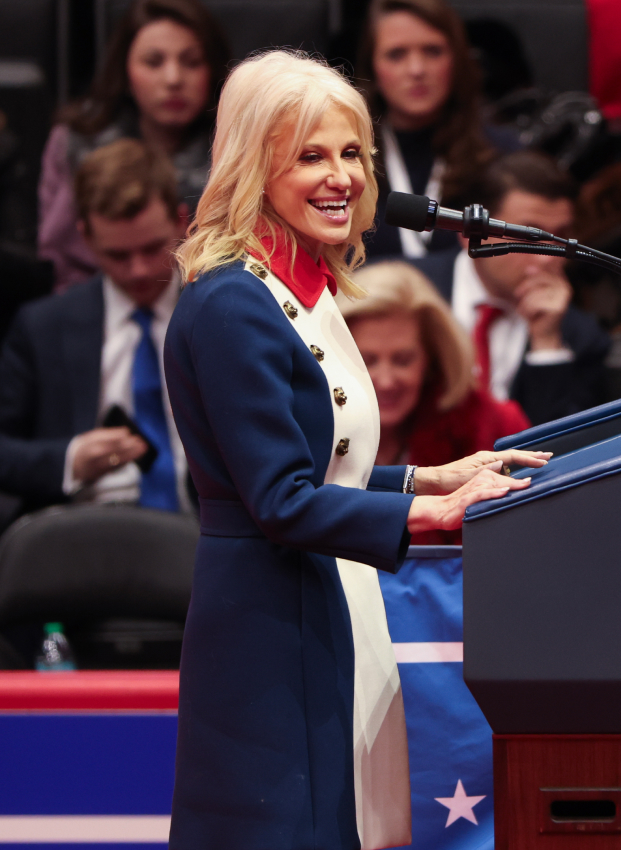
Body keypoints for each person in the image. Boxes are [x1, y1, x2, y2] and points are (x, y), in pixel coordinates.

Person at [163, 50, 549, 849]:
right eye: (309, 156)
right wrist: (435, 509)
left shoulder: (300, 283)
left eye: (349, 153)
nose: (339, 176)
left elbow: (317, 462)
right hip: (273, 631)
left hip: (330, 602)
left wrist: (427, 472)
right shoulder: (234, 302)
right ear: (253, 167)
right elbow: (278, 499)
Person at [0, 138, 192, 521]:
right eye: (117, 255)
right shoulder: (44, 328)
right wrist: (69, 460)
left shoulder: (221, 312)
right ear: (86, 238)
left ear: (181, 222)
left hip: (201, 529)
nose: (137, 270)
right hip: (80, 529)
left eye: (152, 248)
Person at [38, 0, 229, 293]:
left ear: (213, 71)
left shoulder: (238, 149)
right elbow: (60, 264)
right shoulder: (77, 141)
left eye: (191, 62)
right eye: (154, 62)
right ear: (125, 71)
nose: (173, 79)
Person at [410, 150, 611, 425]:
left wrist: (547, 344)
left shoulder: (580, 336)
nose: (548, 256)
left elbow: (564, 447)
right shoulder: (404, 291)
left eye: (560, 236)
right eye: (528, 235)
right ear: (470, 233)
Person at [339, 261, 530, 544]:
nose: (386, 380)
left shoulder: (493, 427)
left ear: (430, 360)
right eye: (366, 361)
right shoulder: (304, 434)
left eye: (403, 360)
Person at [355, 0, 498, 258]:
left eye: (433, 51)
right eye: (396, 54)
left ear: (457, 59)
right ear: (373, 68)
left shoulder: (500, 157)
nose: (416, 69)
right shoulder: (347, 162)